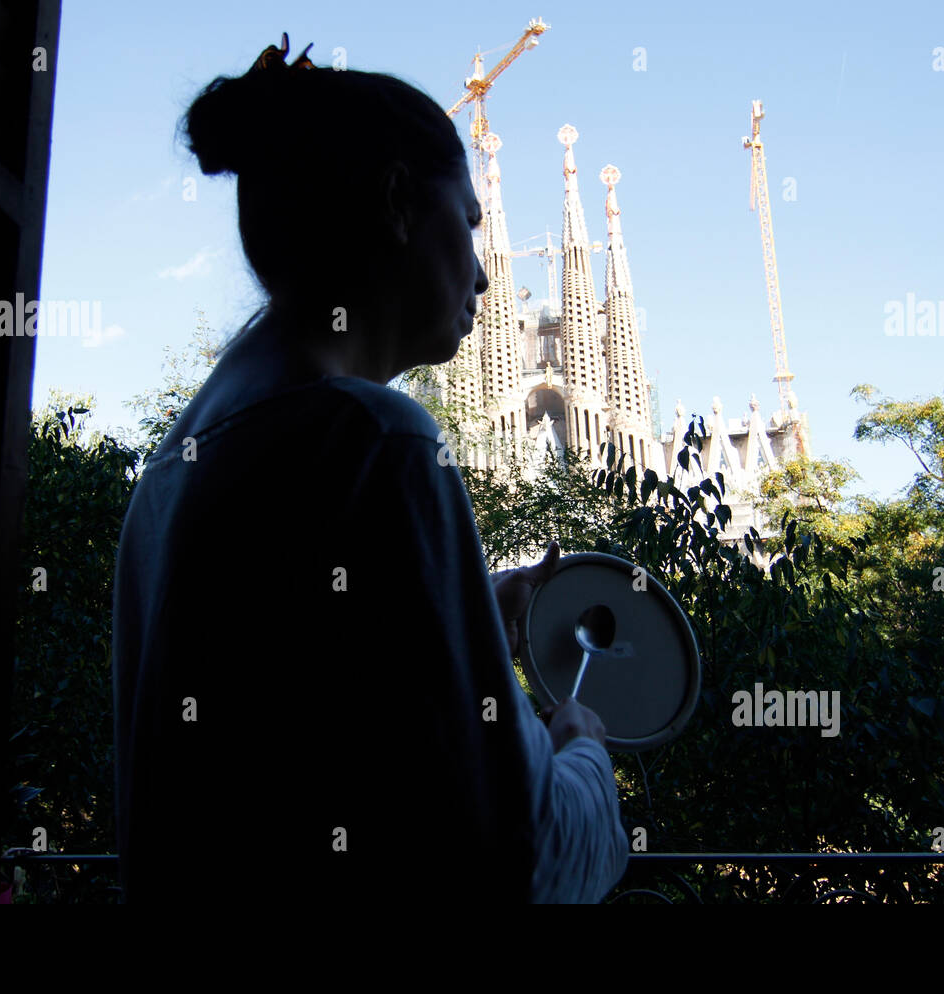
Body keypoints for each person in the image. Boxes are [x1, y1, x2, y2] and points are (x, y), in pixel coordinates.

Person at [111, 34, 628, 906]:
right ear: (396, 201)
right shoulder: (373, 441)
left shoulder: (178, 463)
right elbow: (521, 852)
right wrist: (583, 753)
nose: (486, 280)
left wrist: (464, 614)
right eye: (467, 225)